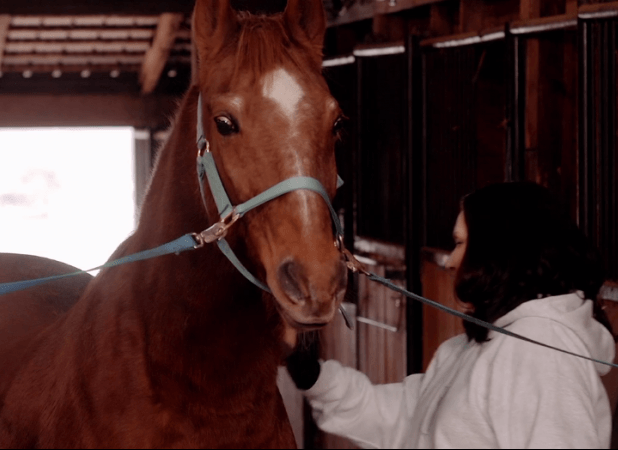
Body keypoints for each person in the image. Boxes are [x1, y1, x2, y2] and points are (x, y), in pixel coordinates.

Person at [286, 181, 616, 449]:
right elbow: (405, 419)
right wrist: (311, 374)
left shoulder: (539, 354)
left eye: (459, 243)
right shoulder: (480, 345)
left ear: (498, 253)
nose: (449, 262)